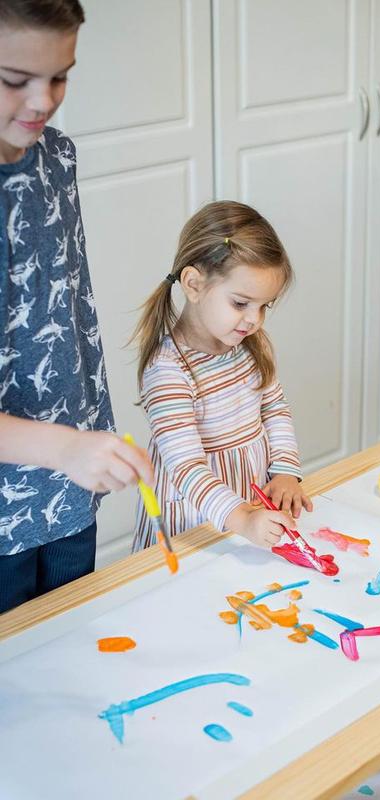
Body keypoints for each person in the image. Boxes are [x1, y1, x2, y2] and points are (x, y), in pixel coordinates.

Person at [0, 0, 153, 613]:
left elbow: (67, 316)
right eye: (15, 80)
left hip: (69, 490)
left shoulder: (55, 157)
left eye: (59, 76)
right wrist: (63, 448)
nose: (42, 101)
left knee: (71, 644)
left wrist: (82, 445)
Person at [131, 200, 312, 551]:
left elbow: (274, 410)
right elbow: (186, 468)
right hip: (192, 528)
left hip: (249, 516)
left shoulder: (250, 346)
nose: (254, 320)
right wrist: (241, 518)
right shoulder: (168, 371)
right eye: (241, 304)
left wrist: (286, 471)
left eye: (264, 306)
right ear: (194, 284)